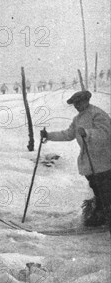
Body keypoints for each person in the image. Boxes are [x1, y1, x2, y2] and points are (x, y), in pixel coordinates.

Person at [40, 91, 111, 230]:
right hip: (89, 162)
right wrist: (49, 135)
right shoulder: (77, 119)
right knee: (97, 188)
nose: (77, 106)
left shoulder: (98, 114)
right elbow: (68, 134)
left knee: (105, 190)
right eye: (75, 104)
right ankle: (102, 216)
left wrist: (88, 133)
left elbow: (105, 134)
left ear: (86, 101)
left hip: (103, 160)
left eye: (79, 103)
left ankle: (103, 217)